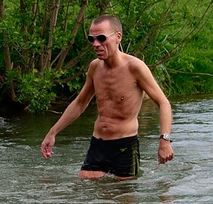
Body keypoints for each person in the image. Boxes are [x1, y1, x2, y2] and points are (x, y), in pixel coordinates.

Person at [40, 14, 173, 179]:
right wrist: (52, 133)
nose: (96, 44)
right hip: (98, 145)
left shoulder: (135, 67)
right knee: (87, 195)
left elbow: (163, 103)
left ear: (118, 37)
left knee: (122, 200)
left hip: (124, 146)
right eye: (92, 39)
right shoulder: (95, 68)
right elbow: (80, 103)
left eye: (101, 38)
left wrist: (164, 141)